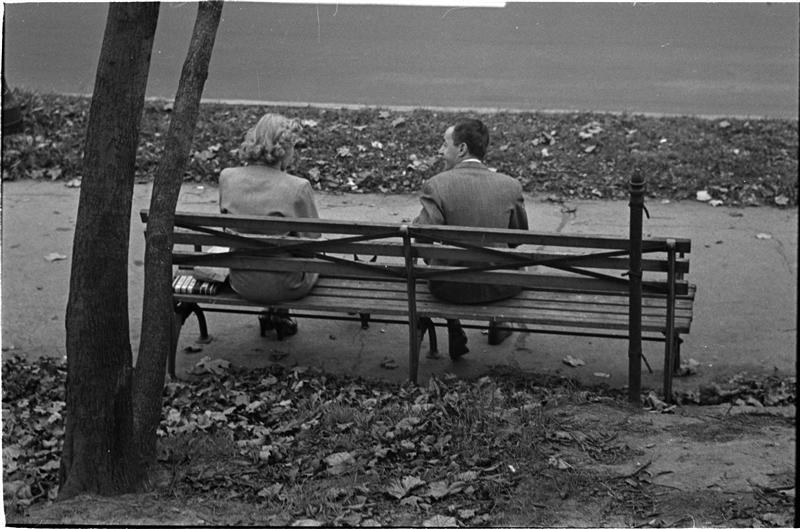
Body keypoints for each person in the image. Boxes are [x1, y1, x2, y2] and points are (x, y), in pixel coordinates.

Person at [413, 118, 529, 359]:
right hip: (501, 288)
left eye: (445, 145)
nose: (440, 150)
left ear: (462, 149)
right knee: (509, 262)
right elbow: (517, 238)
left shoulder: (437, 185)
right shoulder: (510, 186)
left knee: (443, 266)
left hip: (449, 289)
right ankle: (498, 322)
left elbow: (422, 241)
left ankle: (454, 323)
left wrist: (438, 262)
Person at [219, 113, 319, 338]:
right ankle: (279, 316)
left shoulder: (227, 178)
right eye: (294, 146)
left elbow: (228, 230)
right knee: (302, 255)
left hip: (241, 281)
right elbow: (312, 241)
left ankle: (272, 316)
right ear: (285, 149)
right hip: (288, 285)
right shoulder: (298, 187)